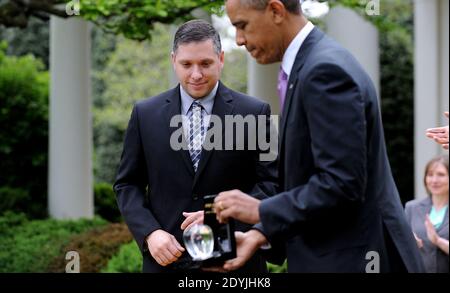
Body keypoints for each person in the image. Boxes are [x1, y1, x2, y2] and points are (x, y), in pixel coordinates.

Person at [212, 0, 425, 272]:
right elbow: (307, 178)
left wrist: (261, 210)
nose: (239, 40)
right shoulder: (312, 65)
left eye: (242, 26)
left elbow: (341, 184)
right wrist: (259, 233)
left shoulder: (324, 71)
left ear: (276, 11)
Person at [113, 19, 277, 273]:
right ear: (173, 60)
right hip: (166, 263)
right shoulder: (144, 114)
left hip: (236, 263)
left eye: (206, 63)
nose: (196, 74)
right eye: (186, 64)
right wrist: (150, 233)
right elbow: (127, 184)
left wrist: (225, 217)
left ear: (221, 59)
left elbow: (272, 184)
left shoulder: (257, 112)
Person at [405, 155, 449, 273]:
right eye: (430, 175)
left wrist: (438, 241)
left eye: (441, 175)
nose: (434, 180)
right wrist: (408, 241)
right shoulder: (411, 208)